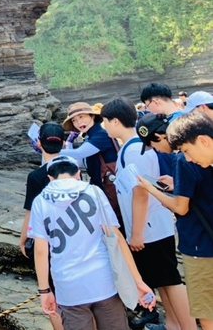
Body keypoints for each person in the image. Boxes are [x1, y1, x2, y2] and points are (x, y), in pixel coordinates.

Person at [28, 156, 156, 330]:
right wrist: (138, 281)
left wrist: (45, 291)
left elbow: (41, 250)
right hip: (103, 280)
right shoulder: (93, 192)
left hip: (68, 286)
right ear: (78, 174)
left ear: (50, 178)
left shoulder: (40, 202)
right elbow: (116, 238)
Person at [100, 98, 195, 330]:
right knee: (162, 280)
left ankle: (188, 326)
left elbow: (141, 192)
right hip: (150, 225)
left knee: (171, 280)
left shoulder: (135, 149)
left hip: (151, 227)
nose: (104, 127)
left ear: (115, 121)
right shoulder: (132, 147)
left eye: (105, 121)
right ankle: (173, 323)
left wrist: (137, 233)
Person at [137, 112, 213, 329]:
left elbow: (181, 206)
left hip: (200, 246)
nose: (186, 157)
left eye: (186, 151)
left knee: (207, 311)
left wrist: (151, 189)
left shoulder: (184, 162)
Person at [20, 122, 67, 330]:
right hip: (72, 234)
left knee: (53, 298)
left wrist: (22, 239)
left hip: (47, 238)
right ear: (64, 143)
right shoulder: (73, 169)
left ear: (39, 143)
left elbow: (30, 211)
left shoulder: (36, 177)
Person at [60, 102, 122, 224]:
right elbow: (80, 162)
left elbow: (80, 153)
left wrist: (51, 151)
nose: (78, 123)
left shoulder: (101, 135)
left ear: (92, 116)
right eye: (74, 120)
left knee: (115, 223)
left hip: (109, 187)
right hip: (101, 187)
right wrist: (69, 143)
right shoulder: (90, 137)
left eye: (81, 117)